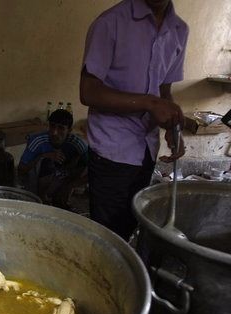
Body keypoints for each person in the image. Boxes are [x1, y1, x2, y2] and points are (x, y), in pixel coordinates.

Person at [79, 0, 189, 240]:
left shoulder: (179, 30)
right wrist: (150, 103)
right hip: (112, 150)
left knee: (129, 225)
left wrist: (172, 126)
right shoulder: (110, 23)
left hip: (147, 149)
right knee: (108, 235)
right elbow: (88, 92)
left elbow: (164, 90)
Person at [18, 109, 88, 209]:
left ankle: (62, 199)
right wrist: (43, 156)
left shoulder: (78, 144)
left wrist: (71, 186)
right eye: (52, 126)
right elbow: (21, 169)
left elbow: (94, 171)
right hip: (38, 184)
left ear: (69, 130)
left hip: (63, 181)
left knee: (82, 161)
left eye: (61, 128)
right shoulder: (38, 141)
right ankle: (42, 200)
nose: (55, 132)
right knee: (46, 162)